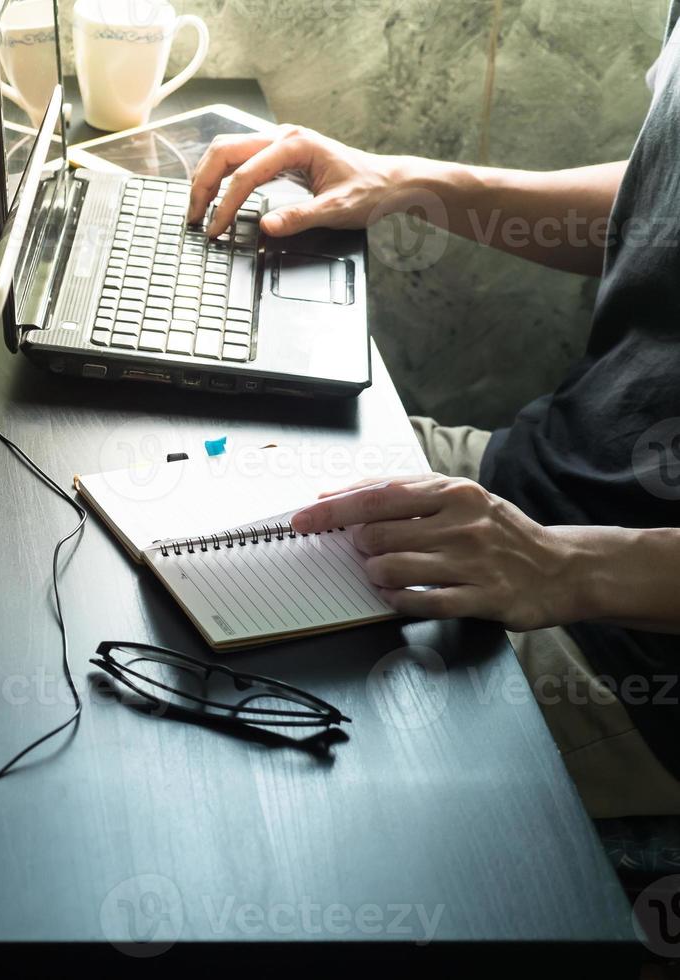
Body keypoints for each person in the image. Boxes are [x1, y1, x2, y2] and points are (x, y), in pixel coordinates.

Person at [188, 7, 680, 819]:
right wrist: (410, 180)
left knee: (237, 754)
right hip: (526, 481)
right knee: (193, 496)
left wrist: (568, 567)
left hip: (626, 654)